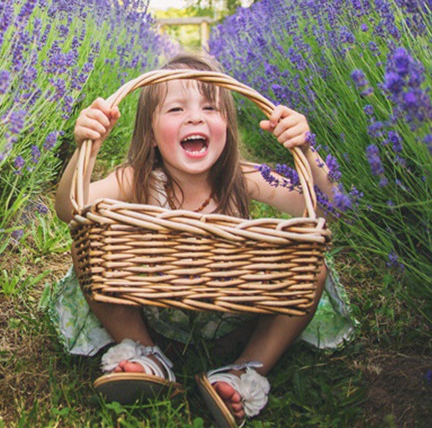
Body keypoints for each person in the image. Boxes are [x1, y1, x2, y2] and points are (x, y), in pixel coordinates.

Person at [51, 52, 354, 427]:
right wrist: (88, 147)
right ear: (150, 132)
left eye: (210, 108)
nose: (195, 117)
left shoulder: (244, 177)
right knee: (88, 253)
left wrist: (306, 149)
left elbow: (332, 209)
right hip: (156, 315)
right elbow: (69, 208)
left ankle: (244, 369)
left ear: (227, 124)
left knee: (312, 271)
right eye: (176, 109)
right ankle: (146, 354)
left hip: (234, 320)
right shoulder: (138, 178)